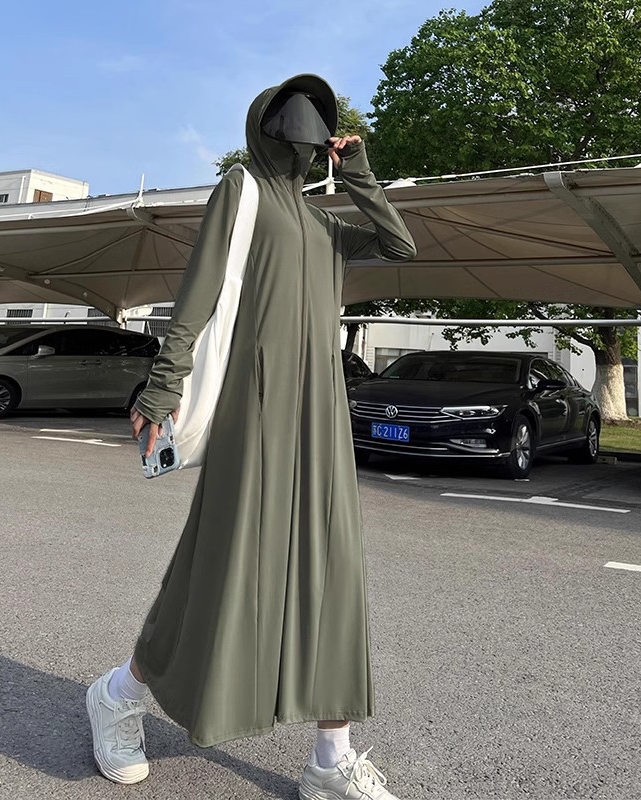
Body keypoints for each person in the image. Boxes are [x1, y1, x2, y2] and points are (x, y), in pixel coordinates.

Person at [86, 74, 416, 800]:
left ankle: (330, 757)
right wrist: (163, 383)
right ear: (266, 129)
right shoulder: (241, 192)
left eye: (315, 128)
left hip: (320, 412)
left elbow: (401, 244)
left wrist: (358, 173)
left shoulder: (325, 225)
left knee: (332, 569)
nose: (304, 137)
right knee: (225, 565)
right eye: (295, 125)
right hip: (255, 407)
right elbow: (198, 291)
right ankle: (117, 694)